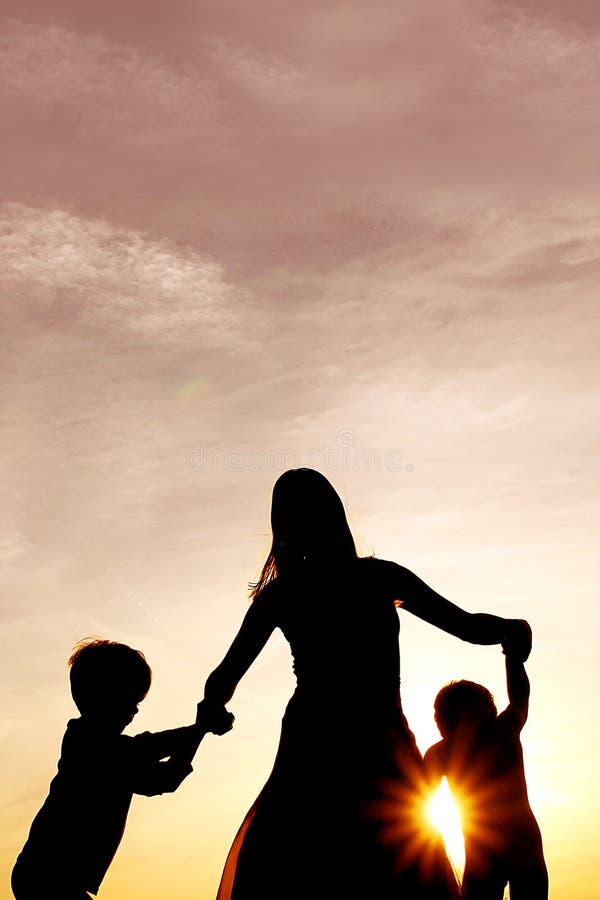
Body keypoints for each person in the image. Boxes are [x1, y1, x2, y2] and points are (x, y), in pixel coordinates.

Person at [202, 468, 532, 900]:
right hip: (377, 736)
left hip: (315, 738)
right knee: (392, 855)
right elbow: (468, 627)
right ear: (336, 516)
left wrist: (214, 706)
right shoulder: (379, 578)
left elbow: (223, 677)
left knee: (302, 857)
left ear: (282, 526)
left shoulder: (282, 594)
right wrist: (512, 629)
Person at [12, 638, 233, 900]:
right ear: (101, 694)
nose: (135, 709)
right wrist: (198, 729)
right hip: (46, 874)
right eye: (129, 698)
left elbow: (164, 777)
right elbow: (152, 755)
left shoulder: (101, 745)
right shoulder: (87, 743)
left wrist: (198, 731)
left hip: (53, 876)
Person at [423, 631, 548, 900]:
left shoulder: (440, 753)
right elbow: (519, 698)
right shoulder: (503, 729)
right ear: (485, 708)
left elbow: (417, 806)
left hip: (484, 850)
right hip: (522, 843)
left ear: (442, 719)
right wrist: (512, 656)